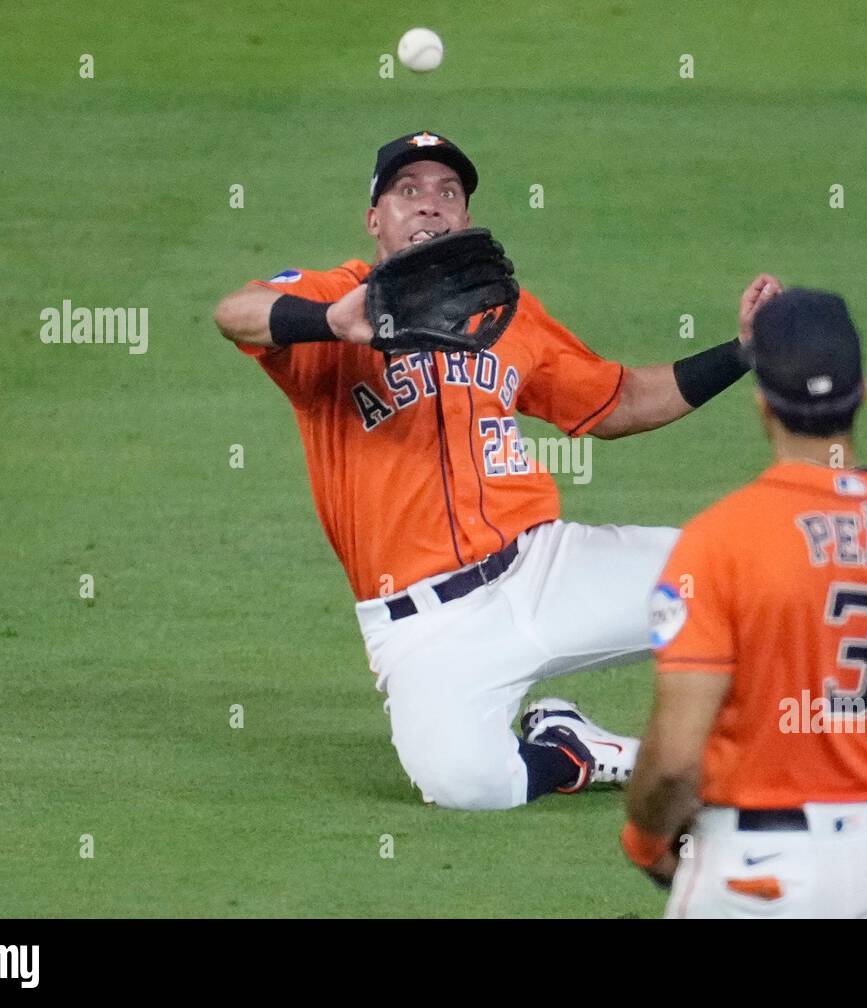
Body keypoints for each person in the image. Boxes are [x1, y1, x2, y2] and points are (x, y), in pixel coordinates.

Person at [214, 129, 783, 811]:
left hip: (543, 569)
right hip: (425, 629)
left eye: (448, 192)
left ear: (467, 220)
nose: (430, 204)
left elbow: (622, 401)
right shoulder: (336, 299)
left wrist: (744, 352)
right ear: (375, 219)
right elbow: (236, 313)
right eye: (408, 191)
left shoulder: (504, 311)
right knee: (468, 785)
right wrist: (328, 321)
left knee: (746, 586)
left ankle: (802, 751)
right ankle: (574, 752)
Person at [621, 288, 867, 916]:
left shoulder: (720, 542)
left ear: (761, 404)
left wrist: (645, 839)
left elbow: (675, 760)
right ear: (863, 392)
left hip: (753, 871)